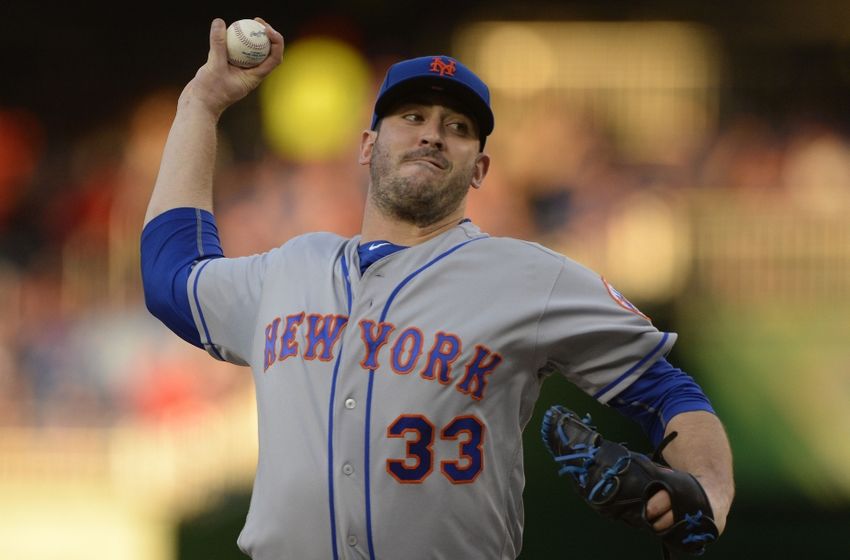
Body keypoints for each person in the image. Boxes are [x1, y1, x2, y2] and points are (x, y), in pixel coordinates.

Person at [141, 18, 734, 560]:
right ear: (369, 145)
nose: (432, 134)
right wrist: (202, 103)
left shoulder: (529, 277)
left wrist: (707, 492)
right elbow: (171, 278)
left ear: (479, 168)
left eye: (457, 127)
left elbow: (664, 389)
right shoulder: (291, 269)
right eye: (412, 118)